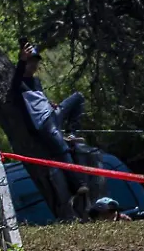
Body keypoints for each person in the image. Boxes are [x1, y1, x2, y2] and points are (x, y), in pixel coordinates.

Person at [10, 41, 88, 206]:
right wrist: (22, 60)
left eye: (35, 62)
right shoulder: (18, 83)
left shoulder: (36, 81)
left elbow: (38, 99)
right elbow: (17, 81)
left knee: (78, 98)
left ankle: (71, 132)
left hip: (52, 115)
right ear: (24, 62)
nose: (34, 65)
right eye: (30, 62)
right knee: (61, 149)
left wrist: (49, 103)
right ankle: (78, 185)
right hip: (42, 123)